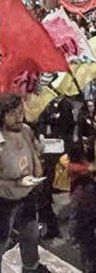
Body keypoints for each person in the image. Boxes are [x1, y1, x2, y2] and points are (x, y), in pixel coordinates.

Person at [0, 93, 50, 273]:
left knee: (30, 236)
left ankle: (31, 267)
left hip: (28, 196)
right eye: (12, 114)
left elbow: (35, 149)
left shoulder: (26, 130)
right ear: (2, 115)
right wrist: (16, 184)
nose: (18, 117)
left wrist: (41, 148)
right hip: (4, 203)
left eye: (20, 112)